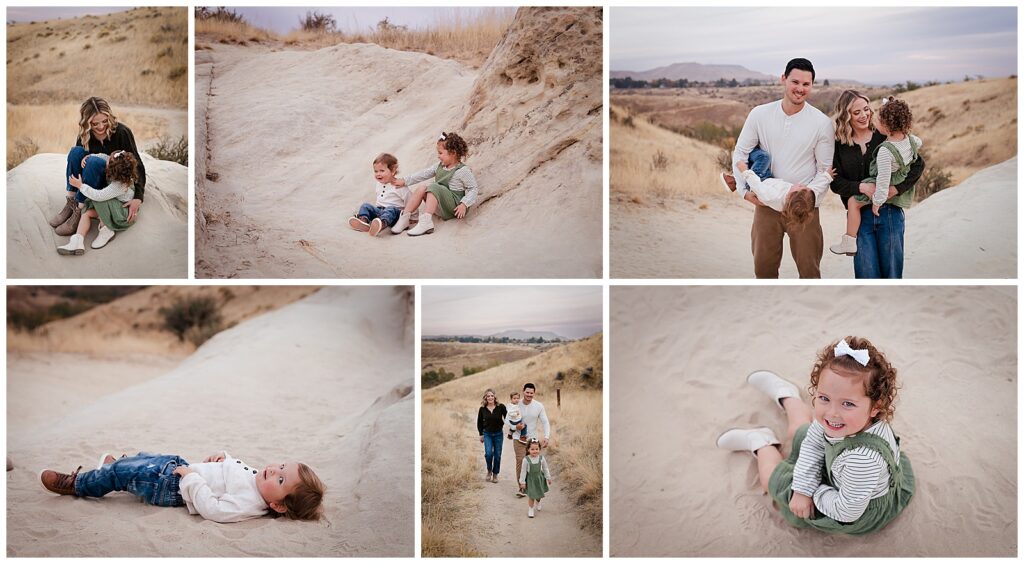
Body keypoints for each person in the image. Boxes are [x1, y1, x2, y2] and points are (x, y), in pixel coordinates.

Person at [716, 337, 915, 534]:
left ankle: (763, 445)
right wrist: (804, 486)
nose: (832, 413)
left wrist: (809, 492)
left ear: (875, 407)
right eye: (824, 398)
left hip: (845, 504)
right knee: (802, 433)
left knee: (773, 481)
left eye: (848, 403)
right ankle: (788, 397)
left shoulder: (863, 460)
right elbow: (813, 441)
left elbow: (846, 511)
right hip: (841, 467)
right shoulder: (851, 421)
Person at [730, 58, 835, 278]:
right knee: (763, 269)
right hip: (767, 203)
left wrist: (806, 199)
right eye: (795, 82)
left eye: (806, 84)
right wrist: (743, 192)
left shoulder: (822, 123)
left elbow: (824, 170)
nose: (800, 89)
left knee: (809, 270)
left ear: (812, 85)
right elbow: (740, 153)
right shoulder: (759, 114)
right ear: (784, 79)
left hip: (804, 207)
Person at [39, 450, 326, 523]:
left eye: (281, 479)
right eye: (281, 467)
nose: (274, 470)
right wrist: (222, 457)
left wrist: (191, 477)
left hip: (172, 486)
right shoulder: (258, 481)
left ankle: (77, 484)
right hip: (179, 469)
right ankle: (122, 465)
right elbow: (233, 469)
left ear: (277, 504)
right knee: (144, 459)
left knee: (126, 474)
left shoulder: (249, 503)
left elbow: (212, 509)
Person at [829, 91, 925, 277]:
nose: (864, 115)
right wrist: (861, 187)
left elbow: (918, 165)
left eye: (866, 109)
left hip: (890, 213)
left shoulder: (884, 134)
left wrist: (895, 189)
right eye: (856, 112)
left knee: (892, 273)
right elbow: (836, 183)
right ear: (846, 116)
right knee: (866, 274)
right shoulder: (839, 145)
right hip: (860, 218)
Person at [49, 97, 146, 236]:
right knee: (75, 152)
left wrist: (138, 197)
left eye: (105, 121)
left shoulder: (122, 132)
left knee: (94, 161)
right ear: (86, 123)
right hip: (88, 179)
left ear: (110, 118)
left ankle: (80, 208)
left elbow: (137, 164)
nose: (101, 127)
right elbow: (77, 163)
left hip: (109, 185)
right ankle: (71, 203)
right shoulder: (84, 134)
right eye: (95, 124)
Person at [390, 132, 479, 236]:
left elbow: (473, 188)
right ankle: (405, 217)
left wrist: (464, 204)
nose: (438, 156)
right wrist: (405, 180)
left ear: (453, 153)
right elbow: (423, 174)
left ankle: (426, 222)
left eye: (440, 153)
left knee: (433, 186)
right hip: (440, 206)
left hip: (454, 209)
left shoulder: (462, 171)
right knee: (422, 187)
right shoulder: (440, 166)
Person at [56, 150, 139, 255]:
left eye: (108, 161)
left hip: (122, 211)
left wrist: (80, 185)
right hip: (113, 204)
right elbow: (104, 157)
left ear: (111, 169)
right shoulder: (119, 167)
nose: (106, 159)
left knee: (96, 200)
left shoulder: (119, 186)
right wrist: (90, 156)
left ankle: (106, 229)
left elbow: (99, 196)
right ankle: (77, 241)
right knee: (87, 214)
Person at [734, 148, 820, 232]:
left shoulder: (773, 196)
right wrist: (827, 176)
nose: (801, 184)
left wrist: (744, 171)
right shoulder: (790, 201)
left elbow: (758, 187)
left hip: (758, 180)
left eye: (801, 187)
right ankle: (732, 179)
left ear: (791, 195)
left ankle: (747, 151)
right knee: (763, 164)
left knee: (764, 157)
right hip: (768, 180)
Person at [348, 153, 410, 237]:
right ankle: (364, 221)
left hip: (395, 215)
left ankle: (381, 224)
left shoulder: (400, 186)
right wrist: (374, 211)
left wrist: (413, 217)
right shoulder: (378, 184)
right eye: (376, 171)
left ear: (393, 171)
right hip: (379, 211)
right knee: (365, 205)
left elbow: (410, 200)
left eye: (382, 171)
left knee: (390, 209)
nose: (378, 174)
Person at [512, 382, 551, 497]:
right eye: (527, 392)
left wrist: (547, 436)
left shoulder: (539, 406)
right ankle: (522, 487)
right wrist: (515, 427)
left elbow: (545, 422)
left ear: (534, 393)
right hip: (518, 438)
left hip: (532, 440)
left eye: (531, 393)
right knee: (520, 462)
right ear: (523, 391)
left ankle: (532, 485)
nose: (529, 394)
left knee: (534, 463)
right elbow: (509, 421)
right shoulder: (516, 404)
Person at [476, 388, 507, 483]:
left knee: (497, 455)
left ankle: (495, 474)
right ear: (485, 398)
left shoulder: (501, 407)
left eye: (492, 396)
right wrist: (481, 434)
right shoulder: (482, 409)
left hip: (498, 434)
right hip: (487, 434)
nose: (490, 397)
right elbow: (479, 422)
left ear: (495, 397)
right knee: (488, 454)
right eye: (488, 396)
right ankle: (489, 470)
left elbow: (508, 418)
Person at [518, 439, 551, 518]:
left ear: (539, 449)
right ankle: (531, 509)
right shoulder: (526, 459)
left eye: (537, 449)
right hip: (530, 480)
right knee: (532, 495)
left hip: (539, 479)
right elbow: (523, 471)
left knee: (538, 495)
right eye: (532, 449)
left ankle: (538, 502)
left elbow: (545, 468)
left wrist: (548, 477)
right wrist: (522, 482)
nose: (535, 451)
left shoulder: (541, 458)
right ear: (528, 449)